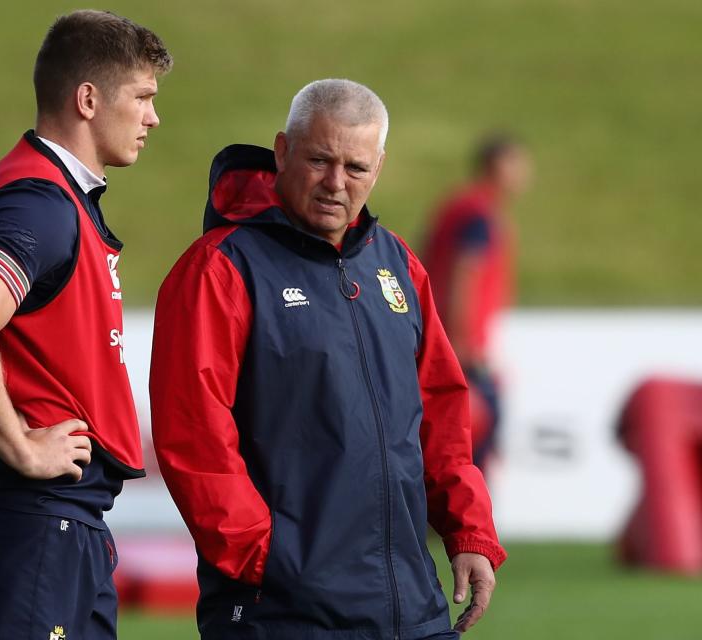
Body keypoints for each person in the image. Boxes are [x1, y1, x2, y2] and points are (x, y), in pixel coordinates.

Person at [150, 79, 506, 639]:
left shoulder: (398, 265)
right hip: (284, 611)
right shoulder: (219, 270)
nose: (336, 183)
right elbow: (192, 432)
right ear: (283, 151)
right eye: (319, 160)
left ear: (379, 168)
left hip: (411, 609)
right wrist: (264, 559)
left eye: (356, 168)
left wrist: (469, 532)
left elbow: (440, 412)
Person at [0, 11, 171, 640]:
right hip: (29, 519)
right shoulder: (40, 204)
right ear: (88, 99)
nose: (153, 117)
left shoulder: (58, 197)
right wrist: (21, 446)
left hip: (56, 523)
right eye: (142, 97)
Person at [421, 134, 531, 471]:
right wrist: (464, 341)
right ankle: (472, 521)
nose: (525, 173)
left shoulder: (457, 207)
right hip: (460, 346)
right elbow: (464, 274)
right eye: (518, 163)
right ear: (496, 167)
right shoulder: (479, 214)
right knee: (478, 435)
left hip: (438, 337)